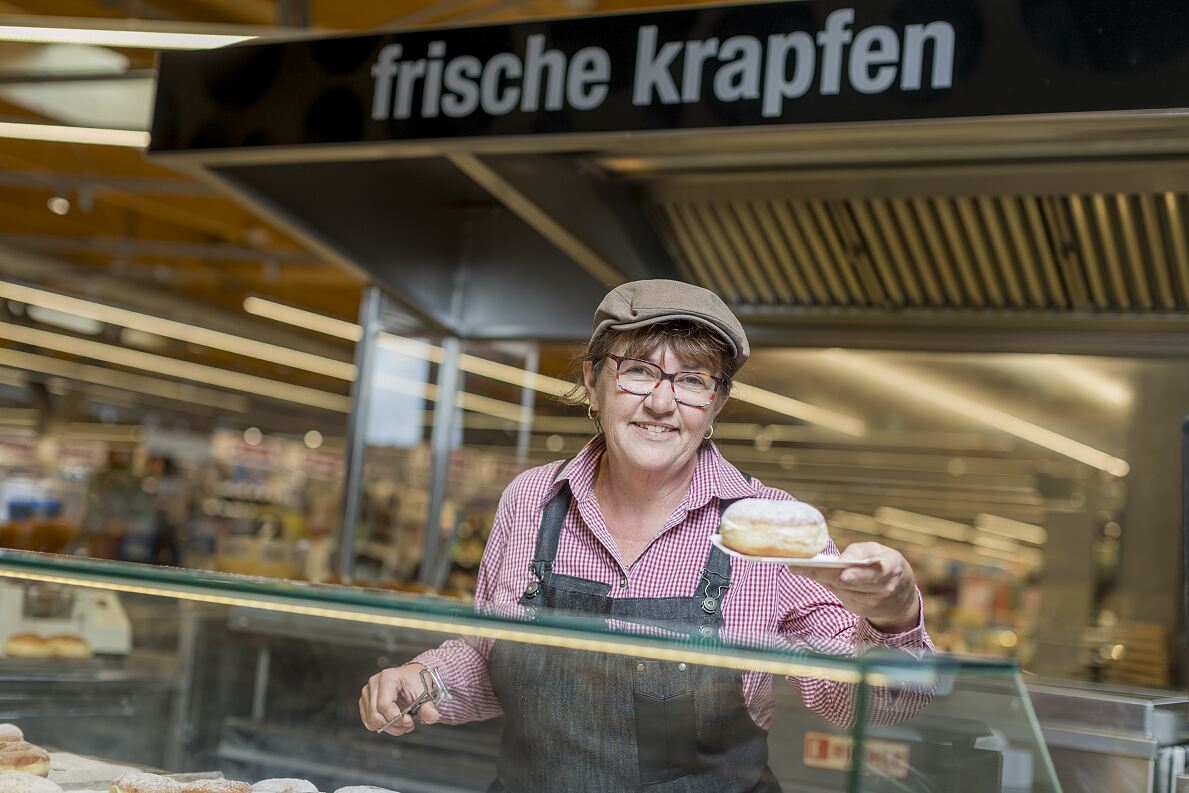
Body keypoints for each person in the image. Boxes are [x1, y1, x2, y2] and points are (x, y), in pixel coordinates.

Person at [359, 279, 934, 792]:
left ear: (717, 403)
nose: (661, 403)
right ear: (593, 381)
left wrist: (894, 618)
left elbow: (865, 705)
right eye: (637, 371)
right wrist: (425, 681)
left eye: (692, 381)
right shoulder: (531, 501)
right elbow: (489, 657)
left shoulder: (769, 528)